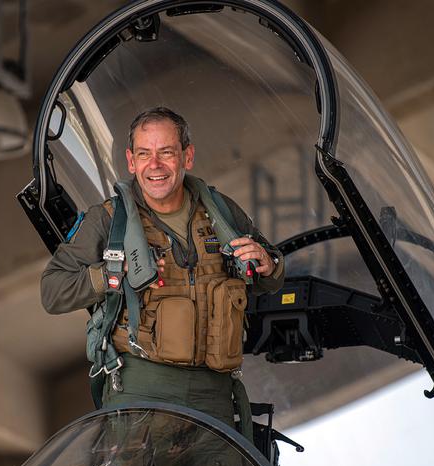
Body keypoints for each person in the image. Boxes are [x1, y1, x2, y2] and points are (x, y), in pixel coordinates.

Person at [41, 106, 284, 429]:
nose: (154, 165)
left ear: (187, 156)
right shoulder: (109, 220)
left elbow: (268, 280)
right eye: (144, 154)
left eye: (166, 153)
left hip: (214, 395)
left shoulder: (222, 213)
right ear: (131, 161)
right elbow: (53, 291)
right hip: (142, 392)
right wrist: (111, 273)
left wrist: (269, 264)